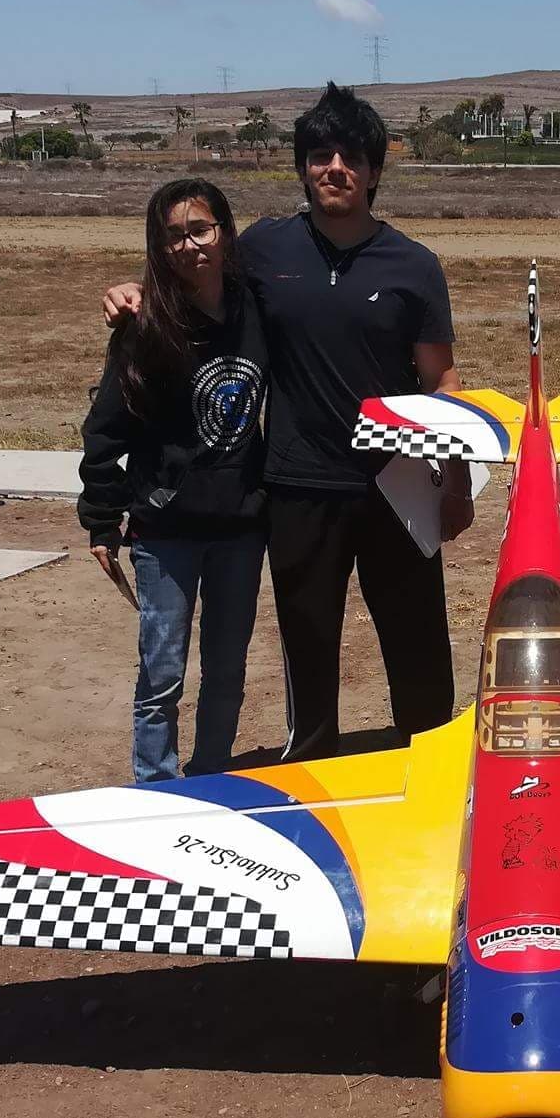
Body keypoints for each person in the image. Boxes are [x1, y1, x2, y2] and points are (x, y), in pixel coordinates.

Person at [105, 84, 469, 762]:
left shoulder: (414, 266)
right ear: (303, 166)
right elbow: (195, 269)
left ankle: (436, 771)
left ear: (374, 172)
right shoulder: (268, 248)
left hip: (399, 487)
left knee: (418, 647)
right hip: (299, 487)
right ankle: (314, 775)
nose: (336, 167)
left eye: (352, 156)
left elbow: (440, 383)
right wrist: (133, 289)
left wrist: (454, 483)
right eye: (321, 154)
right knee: (308, 649)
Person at [79, 179, 269, 782]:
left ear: (225, 231)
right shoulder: (145, 325)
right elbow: (105, 429)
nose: (189, 246)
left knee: (228, 669)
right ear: (158, 248)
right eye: (174, 236)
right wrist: (102, 520)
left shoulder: (256, 309)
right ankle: (156, 786)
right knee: (162, 672)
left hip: (241, 526)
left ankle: (212, 777)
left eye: (200, 229)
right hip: (166, 532)